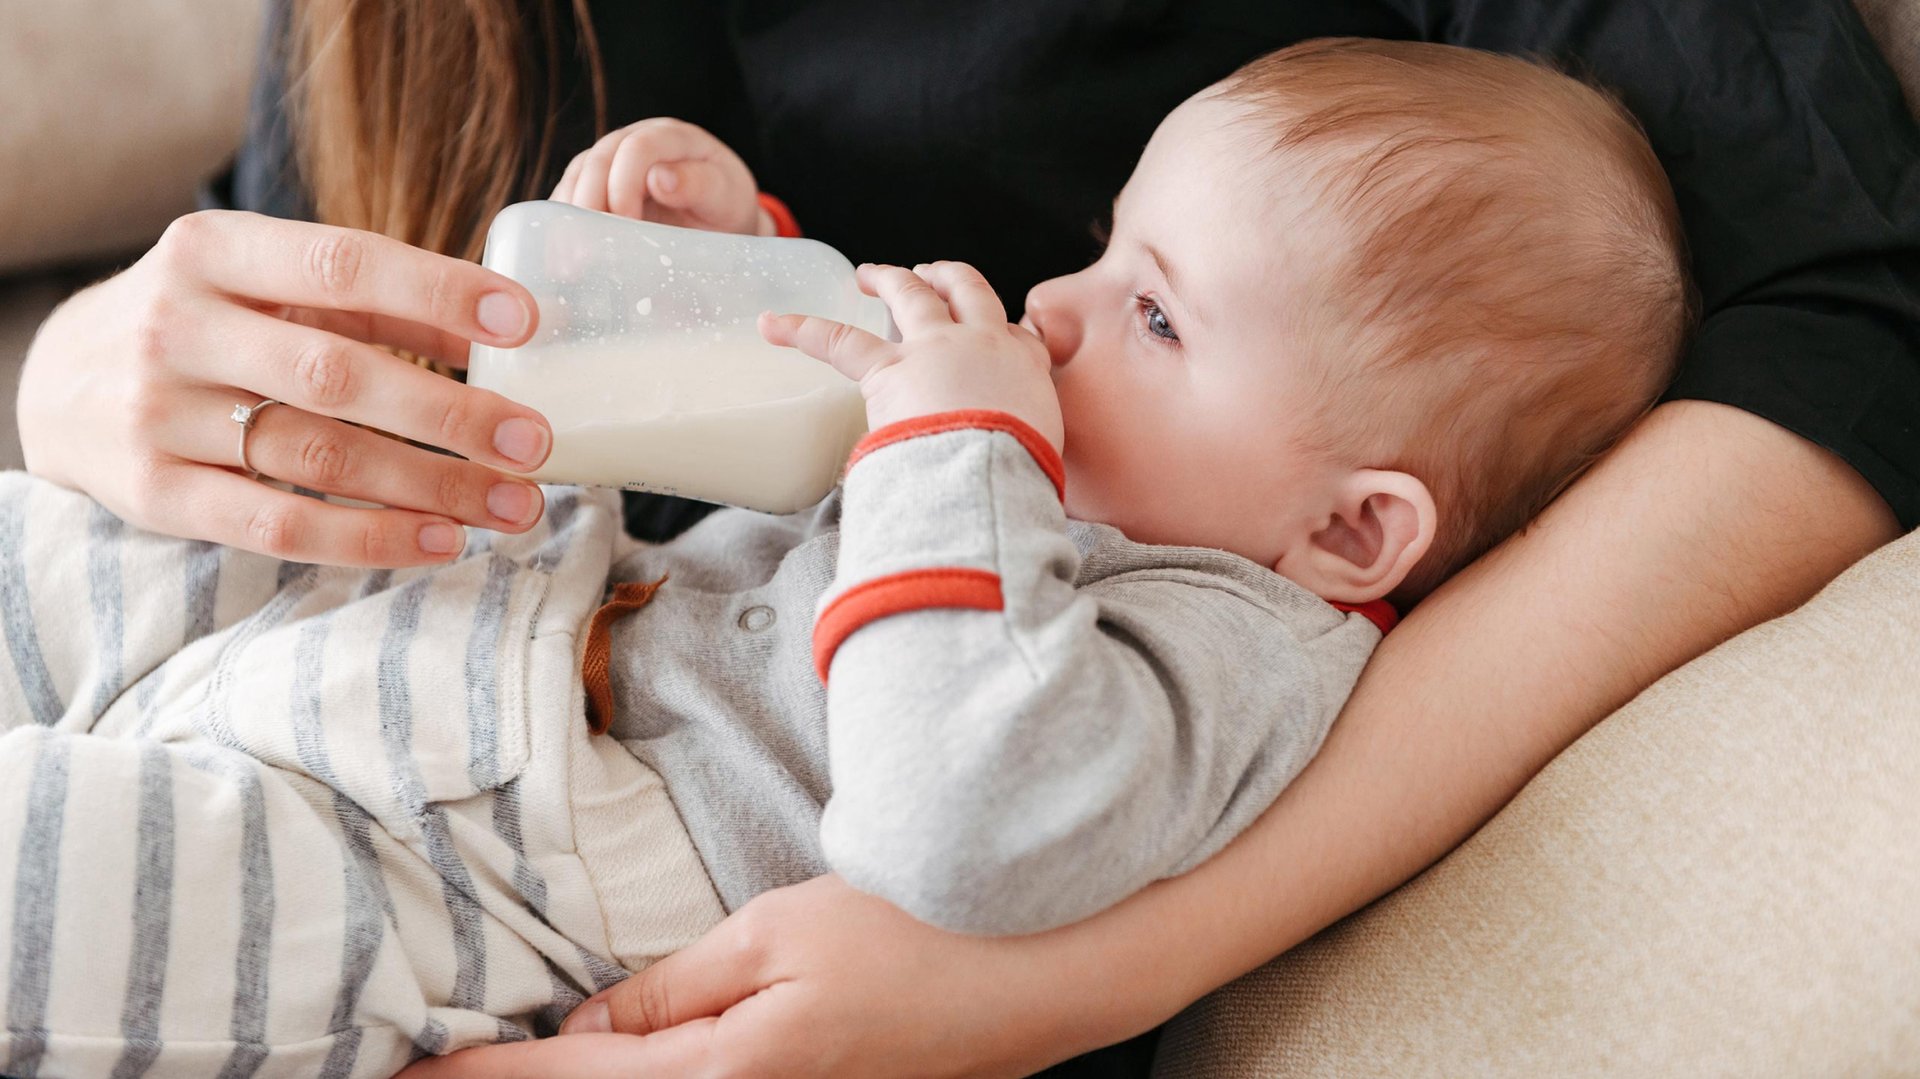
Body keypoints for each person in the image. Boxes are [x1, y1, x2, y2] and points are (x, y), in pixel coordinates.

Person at [10, 1, 1914, 1076]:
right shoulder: (1078, 469)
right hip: (466, 633)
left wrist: (951, 437)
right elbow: (734, 465)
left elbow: (950, 811)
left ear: (1350, 528)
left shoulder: (1227, 638)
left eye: (1153, 311)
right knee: (52, 552)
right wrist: (726, 267)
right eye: (1097, 255)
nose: (1055, 314)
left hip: (517, 862)